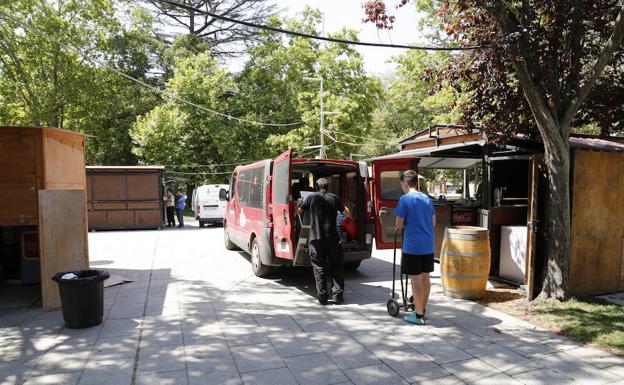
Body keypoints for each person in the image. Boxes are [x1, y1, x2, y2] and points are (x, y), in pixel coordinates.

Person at [297, 177, 351, 305]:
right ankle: (337, 297)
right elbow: (347, 213)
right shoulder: (334, 197)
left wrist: (300, 203)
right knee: (336, 267)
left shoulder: (311, 197)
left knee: (319, 268)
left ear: (316, 186)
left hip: (316, 239)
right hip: (332, 239)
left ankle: (322, 297)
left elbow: (298, 211)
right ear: (328, 186)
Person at [395, 170, 436, 325]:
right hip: (428, 244)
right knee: (426, 278)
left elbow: (399, 223)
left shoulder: (405, 199)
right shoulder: (427, 198)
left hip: (413, 245)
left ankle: (418, 316)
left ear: (405, 183)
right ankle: (421, 310)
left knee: (416, 279)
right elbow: (433, 222)